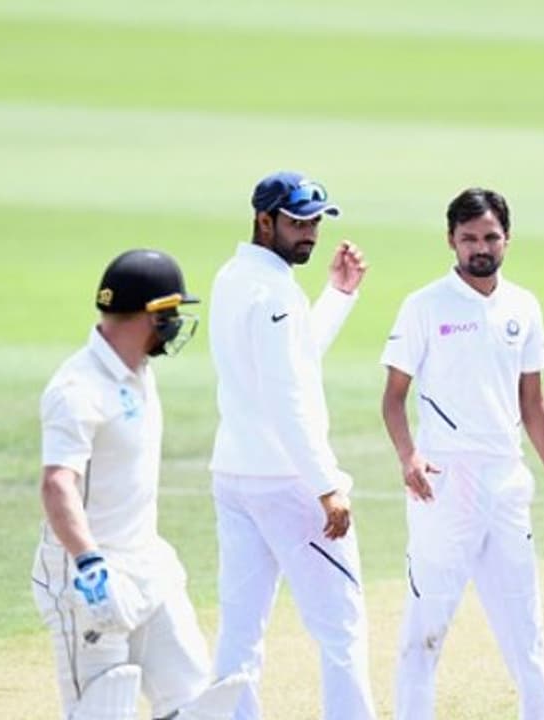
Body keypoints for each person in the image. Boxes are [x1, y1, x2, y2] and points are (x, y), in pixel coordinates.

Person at [381, 187, 544, 720]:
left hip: (506, 481)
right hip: (443, 481)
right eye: (468, 238)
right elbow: (393, 398)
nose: (480, 248)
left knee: (525, 626)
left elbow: (534, 404)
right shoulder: (424, 305)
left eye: (490, 237)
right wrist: (408, 456)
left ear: (507, 238)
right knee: (426, 626)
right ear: (451, 240)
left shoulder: (523, 306)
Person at [32, 249, 246, 720]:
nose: (176, 324)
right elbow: (57, 484)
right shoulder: (77, 389)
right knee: (103, 708)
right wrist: (90, 566)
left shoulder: (137, 372)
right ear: (151, 314)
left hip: (148, 565)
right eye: (172, 313)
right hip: (87, 577)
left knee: (196, 704)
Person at [208, 172, 375, 720]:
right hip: (288, 483)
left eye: (315, 221)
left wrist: (339, 295)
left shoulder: (233, 276)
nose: (310, 233)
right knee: (342, 626)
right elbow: (285, 397)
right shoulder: (274, 290)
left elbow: (293, 360)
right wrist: (326, 485)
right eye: (298, 221)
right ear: (264, 220)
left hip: (236, 476)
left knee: (240, 630)